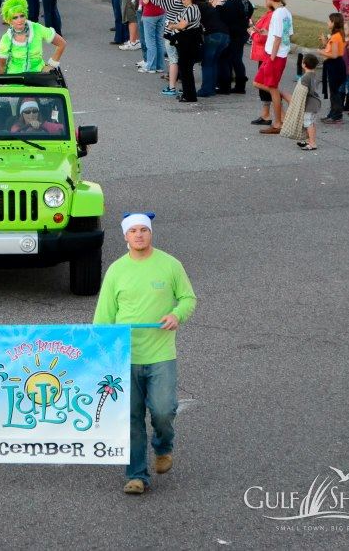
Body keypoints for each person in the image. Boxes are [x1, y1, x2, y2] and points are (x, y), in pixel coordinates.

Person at [93, 212, 197, 495]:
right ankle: (137, 475)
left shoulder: (170, 264)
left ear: (150, 233)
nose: (139, 235)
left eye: (144, 230)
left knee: (163, 410)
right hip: (125, 357)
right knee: (131, 418)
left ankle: (163, 447)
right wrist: (101, 352)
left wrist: (176, 315)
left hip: (161, 354)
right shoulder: (116, 270)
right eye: (133, 231)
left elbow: (188, 298)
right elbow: (103, 317)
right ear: (125, 236)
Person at [253, 0, 293, 134]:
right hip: (276, 54)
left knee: (272, 88)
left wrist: (272, 57)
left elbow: (278, 39)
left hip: (275, 56)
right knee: (258, 82)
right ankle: (287, 99)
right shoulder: (286, 12)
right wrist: (268, 32)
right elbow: (287, 34)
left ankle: (278, 123)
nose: (265, 0)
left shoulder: (277, 14)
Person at [0, 0, 66, 74]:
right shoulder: (6, 38)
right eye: (15, 18)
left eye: (22, 16)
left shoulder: (37, 28)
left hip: (38, 75)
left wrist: (51, 65)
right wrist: (3, 81)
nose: (20, 20)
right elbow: (2, 66)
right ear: (9, 20)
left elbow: (62, 44)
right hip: (15, 77)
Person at [145, 0, 186, 95]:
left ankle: (171, 87)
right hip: (183, 34)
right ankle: (186, 86)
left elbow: (156, 0)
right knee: (183, 60)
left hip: (170, 33)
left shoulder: (172, 1)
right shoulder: (187, 3)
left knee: (173, 60)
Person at [165, 0, 202, 103]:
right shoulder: (188, 8)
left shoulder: (191, 8)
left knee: (186, 69)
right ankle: (187, 93)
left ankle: (189, 96)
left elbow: (182, 25)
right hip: (186, 41)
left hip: (188, 42)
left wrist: (172, 26)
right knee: (185, 68)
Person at [214, 0, 250, 94]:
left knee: (226, 59)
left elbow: (226, 17)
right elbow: (249, 10)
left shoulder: (233, 1)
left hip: (234, 34)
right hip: (240, 33)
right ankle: (240, 85)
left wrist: (218, 8)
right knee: (236, 59)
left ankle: (225, 86)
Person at [134, 0, 166, 73]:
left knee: (150, 41)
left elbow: (146, 1)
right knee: (159, 40)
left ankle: (151, 66)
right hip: (161, 13)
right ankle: (160, 66)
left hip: (150, 14)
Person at [195, 0, 229, 98]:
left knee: (207, 63)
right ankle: (212, 88)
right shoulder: (208, 6)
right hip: (225, 35)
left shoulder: (197, 7)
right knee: (214, 62)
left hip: (213, 35)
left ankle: (206, 90)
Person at [316, 12, 346, 125]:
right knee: (334, 91)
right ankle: (332, 114)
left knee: (334, 92)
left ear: (334, 23)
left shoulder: (335, 37)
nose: (328, 22)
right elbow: (332, 50)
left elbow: (333, 55)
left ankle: (336, 116)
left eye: (329, 21)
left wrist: (320, 52)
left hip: (335, 65)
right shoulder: (337, 35)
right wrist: (325, 43)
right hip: (336, 65)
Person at [294, 53, 321, 151]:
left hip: (309, 103)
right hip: (315, 102)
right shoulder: (315, 75)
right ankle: (310, 140)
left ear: (304, 64)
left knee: (308, 123)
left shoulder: (305, 77)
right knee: (311, 122)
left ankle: (312, 143)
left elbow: (304, 91)